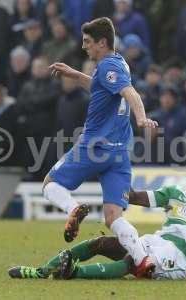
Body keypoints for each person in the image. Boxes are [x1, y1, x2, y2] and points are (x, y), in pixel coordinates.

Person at [46, 17, 158, 277]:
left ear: (102, 42)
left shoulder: (108, 65)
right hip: (119, 153)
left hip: (94, 146)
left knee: (50, 183)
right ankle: (143, 261)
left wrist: (141, 117)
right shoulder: (118, 64)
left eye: (88, 42)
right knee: (113, 216)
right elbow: (101, 87)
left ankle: (74, 208)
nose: (84, 46)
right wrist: (74, 74)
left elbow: (131, 94)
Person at [8, 163, 186, 280]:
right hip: (155, 242)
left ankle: (74, 272)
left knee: (131, 262)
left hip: (177, 260)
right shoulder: (173, 194)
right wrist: (110, 171)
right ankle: (41, 271)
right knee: (102, 243)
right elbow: (134, 196)